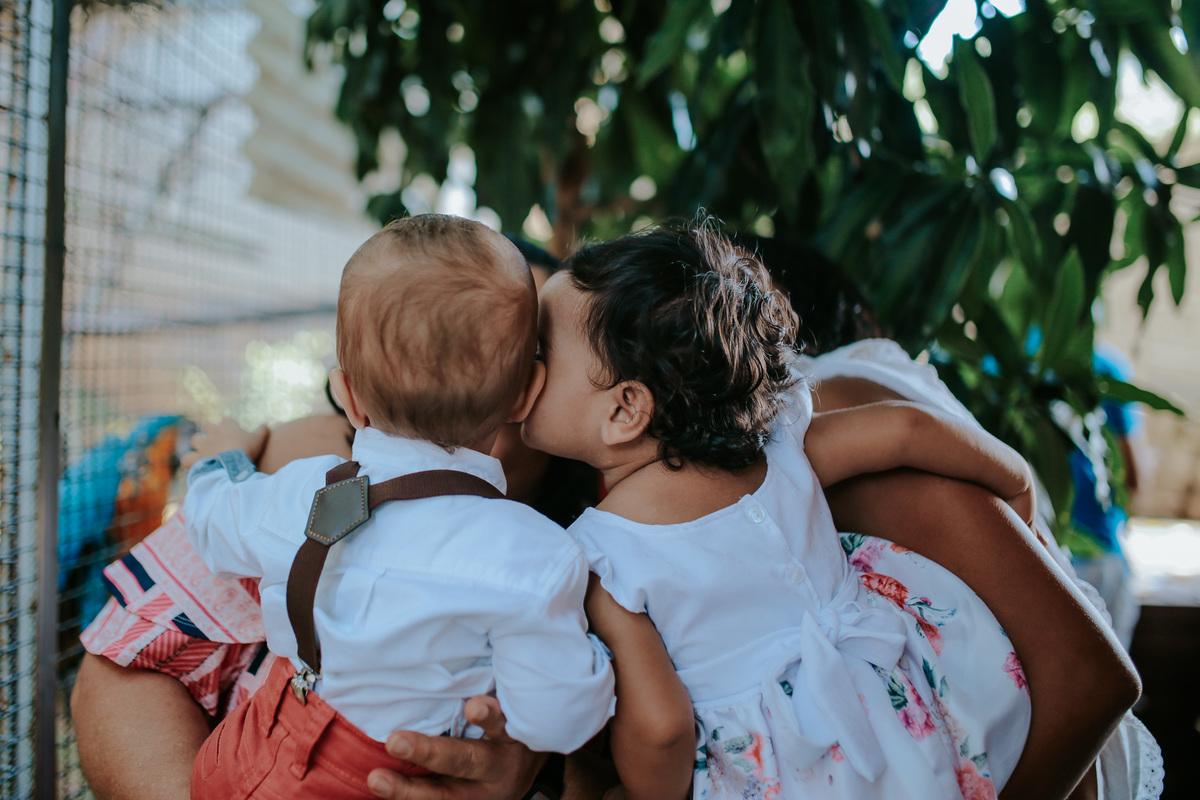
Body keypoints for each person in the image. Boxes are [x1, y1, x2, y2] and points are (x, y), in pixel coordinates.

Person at [520, 221, 1135, 800]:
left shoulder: (598, 556)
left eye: (540, 348)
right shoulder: (782, 453)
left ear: (626, 409)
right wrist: (1018, 482)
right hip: (901, 733)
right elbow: (906, 429)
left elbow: (661, 733)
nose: (522, 361)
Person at [180, 214, 614, 798]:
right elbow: (556, 720)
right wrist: (601, 656)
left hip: (247, 756)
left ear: (348, 395)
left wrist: (222, 462)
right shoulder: (535, 557)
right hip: (386, 778)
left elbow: (209, 524)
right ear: (526, 394)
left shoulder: (302, 489)